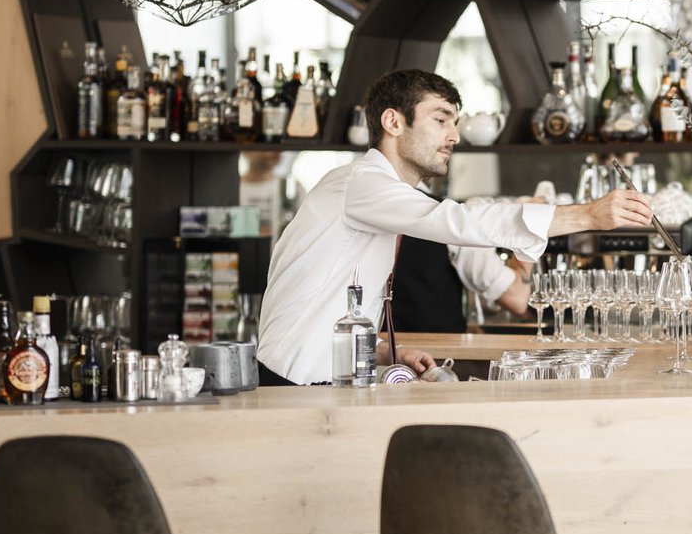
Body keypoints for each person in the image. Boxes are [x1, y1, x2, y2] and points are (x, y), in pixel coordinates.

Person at [255, 69, 649, 384]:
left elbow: (329, 304)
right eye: (441, 119)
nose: (454, 136)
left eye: (455, 122)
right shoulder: (357, 183)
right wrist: (586, 216)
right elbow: (457, 221)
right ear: (393, 121)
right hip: (289, 384)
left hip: (326, 380)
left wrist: (381, 352)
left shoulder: (378, 197)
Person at [390, 235, 532, 334]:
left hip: (378, 349)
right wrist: (529, 236)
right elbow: (516, 299)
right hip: (435, 359)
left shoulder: (372, 209)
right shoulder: (450, 217)